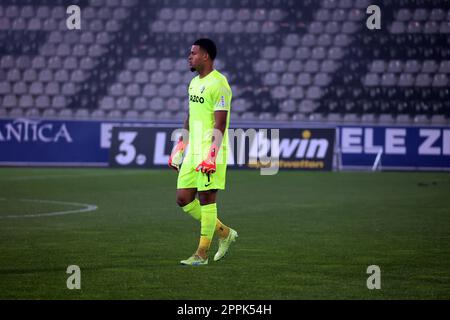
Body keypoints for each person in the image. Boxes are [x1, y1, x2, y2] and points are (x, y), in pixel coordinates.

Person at [168, 38, 238, 266]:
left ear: (205, 56)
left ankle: (201, 254)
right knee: (183, 199)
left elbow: (220, 124)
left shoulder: (219, 84)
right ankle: (224, 233)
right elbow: (190, 116)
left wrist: (211, 156)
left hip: (211, 151)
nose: (189, 57)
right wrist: (181, 145)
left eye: (193, 53)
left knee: (207, 200)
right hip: (193, 150)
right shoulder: (193, 83)